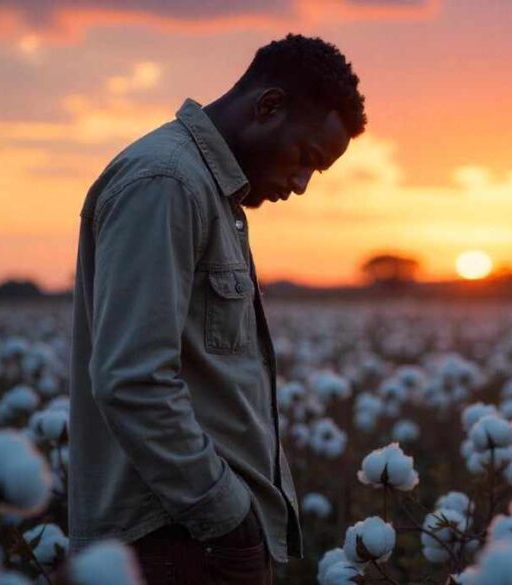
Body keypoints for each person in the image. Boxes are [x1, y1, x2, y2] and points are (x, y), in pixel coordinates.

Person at [67, 34, 367, 584]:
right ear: (269, 106)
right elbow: (132, 380)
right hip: (173, 544)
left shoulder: (206, 190)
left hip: (194, 539)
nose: (301, 186)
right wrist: (228, 518)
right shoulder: (166, 183)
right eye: (306, 159)